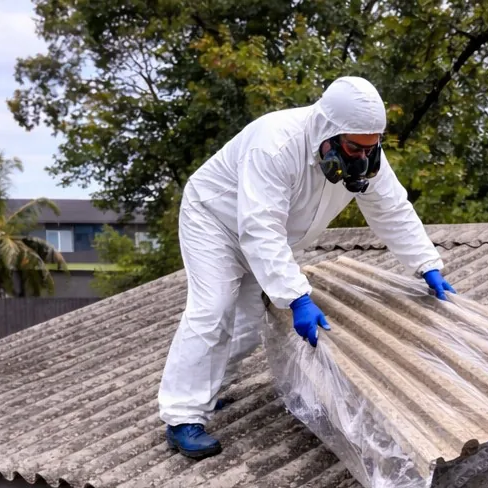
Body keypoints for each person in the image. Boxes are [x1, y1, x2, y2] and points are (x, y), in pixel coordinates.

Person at [159, 75, 456, 459]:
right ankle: (183, 416)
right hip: (215, 221)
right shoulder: (276, 144)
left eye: (371, 147)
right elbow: (259, 227)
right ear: (328, 133)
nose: (362, 158)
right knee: (214, 307)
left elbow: (392, 209)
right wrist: (297, 297)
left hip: (263, 234)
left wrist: (426, 264)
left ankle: (208, 392)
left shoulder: (362, 156)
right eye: (354, 147)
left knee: (249, 323)